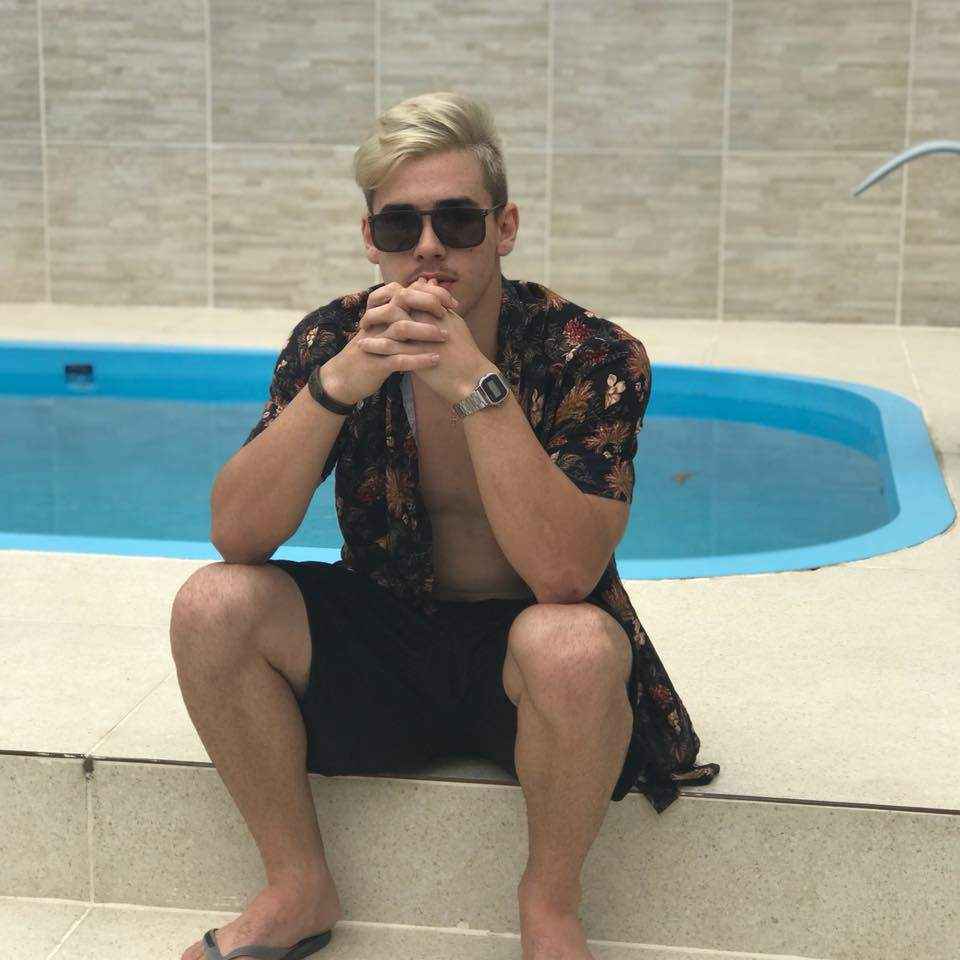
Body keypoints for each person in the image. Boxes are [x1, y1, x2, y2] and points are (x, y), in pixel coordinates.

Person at [171, 90, 719, 960]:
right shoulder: (333, 338)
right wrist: (337, 385)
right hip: (388, 633)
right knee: (212, 605)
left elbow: (565, 574)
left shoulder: (590, 354)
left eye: (457, 221)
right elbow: (237, 534)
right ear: (371, 237)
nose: (428, 247)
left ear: (504, 228)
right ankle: (296, 886)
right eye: (402, 225)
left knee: (575, 645)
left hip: (521, 656)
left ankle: (550, 911)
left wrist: (476, 386)